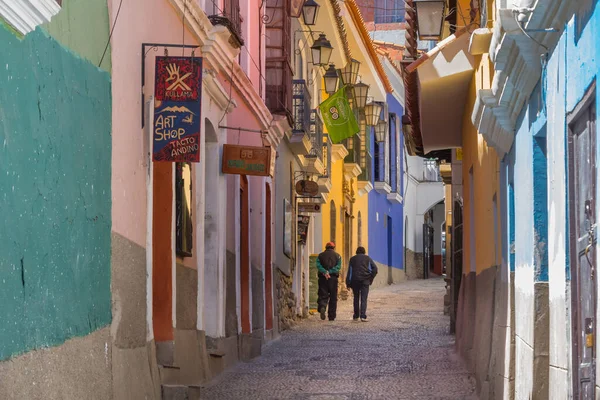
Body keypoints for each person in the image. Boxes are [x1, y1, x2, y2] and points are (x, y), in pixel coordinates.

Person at [346, 247, 378, 322]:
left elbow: (349, 272)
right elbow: (375, 269)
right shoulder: (368, 258)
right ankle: (363, 316)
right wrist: (370, 277)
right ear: (364, 252)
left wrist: (348, 283)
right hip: (365, 281)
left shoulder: (352, 259)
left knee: (356, 298)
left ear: (356, 252)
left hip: (355, 281)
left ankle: (356, 315)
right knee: (364, 299)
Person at [316, 242, 342, 321]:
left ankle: (323, 306)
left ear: (326, 247)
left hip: (323, 278)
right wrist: (330, 272)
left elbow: (318, 265)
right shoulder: (338, 256)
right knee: (333, 297)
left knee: (323, 294)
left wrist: (325, 272)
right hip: (333, 278)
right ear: (333, 247)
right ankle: (331, 316)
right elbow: (338, 267)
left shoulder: (320, 256)